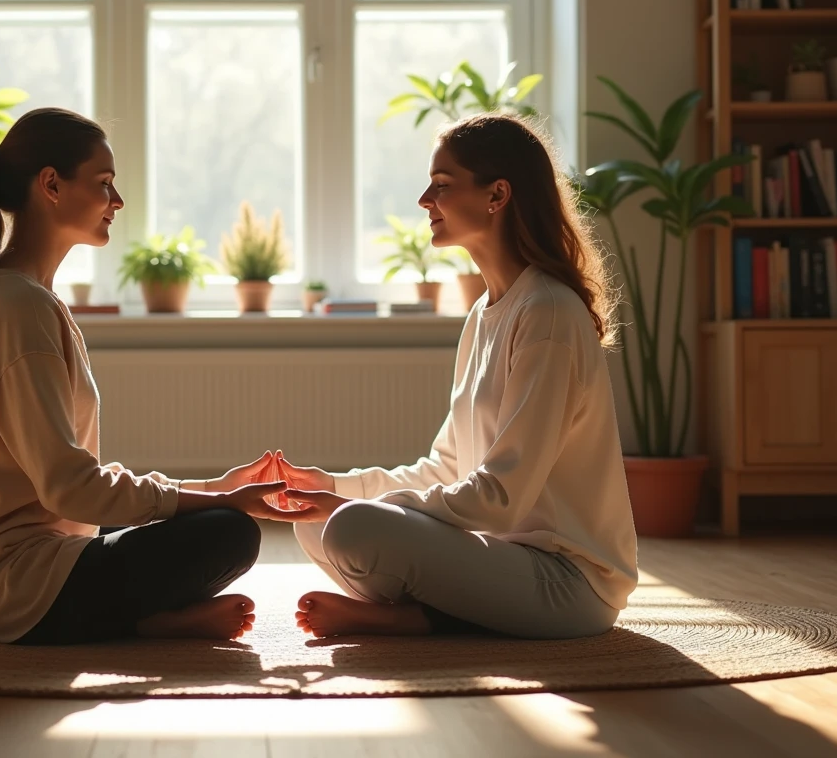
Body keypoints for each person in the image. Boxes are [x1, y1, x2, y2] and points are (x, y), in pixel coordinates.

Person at [0, 107, 304, 646]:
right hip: (19, 587)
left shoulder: (24, 296)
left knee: (210, 518)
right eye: (104, 184)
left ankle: (143, 619)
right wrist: (219, 503)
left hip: (46, 554)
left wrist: (214, 487)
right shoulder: (18, 307)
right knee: (228, 533)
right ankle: (142, 624)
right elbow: (72, 489)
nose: (116, 202)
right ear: (51, 185)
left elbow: (72, 486)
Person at [272, 113, 639, 640]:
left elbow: (499, 498)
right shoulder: (486, 314)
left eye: (441, 185)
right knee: (313, 520)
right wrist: (332, 486)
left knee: (352, 524)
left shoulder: (549, 313)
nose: (424, 199)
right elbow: (444, 466)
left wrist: (353, 505)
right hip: (501, 560)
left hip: (567, 582)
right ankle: (425, 615)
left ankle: (417, 618)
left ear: (497, 195)